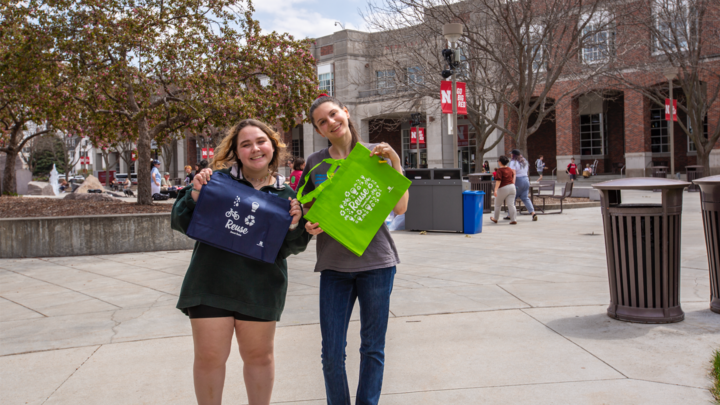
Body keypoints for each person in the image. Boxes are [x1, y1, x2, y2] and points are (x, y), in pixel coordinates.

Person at [171, 119, 311, 405]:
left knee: (259, 358)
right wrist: (196, 194)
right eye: (245, 144)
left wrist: (296, 225)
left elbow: (288, 249)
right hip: (210, 283)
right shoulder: (216, 182)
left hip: (260, 289)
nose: (255, 149)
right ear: (236, 152)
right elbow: (180, 220)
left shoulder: (287, 198)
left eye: (261, 141)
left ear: (273, 145)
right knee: (209, 359)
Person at [299, 94, 409, 405]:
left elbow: (399, 207)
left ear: (346, 113)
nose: (330, 122)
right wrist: (310, 224)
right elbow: (310, 208)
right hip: (333, 266)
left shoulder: (375, 154)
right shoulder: (315, 163)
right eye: (322, 121)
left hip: (377, 263)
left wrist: (396, 162)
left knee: (372, 347)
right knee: (332, 352)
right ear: (319, 130)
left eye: (333, 114)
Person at [508, 149, 538, 221]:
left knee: (512, 198)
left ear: (513, 155)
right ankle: (533, 213)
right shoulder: (524, 161)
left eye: (511, 154)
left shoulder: (513, 162)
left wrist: (512, 183)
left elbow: (513, 173)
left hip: (518, 180)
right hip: (526, 180)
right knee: (525, 198)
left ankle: (511, 215)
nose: (511, 155)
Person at [490, 156, 517, 224]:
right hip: (512, 187)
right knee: (511, 205)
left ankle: (495, 218)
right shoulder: (510, 169)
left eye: (498, 161)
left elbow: (498, 181)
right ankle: (513, 219)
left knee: (497, 205)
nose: (498, 162)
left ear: (500, 162)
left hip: (503, 188)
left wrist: (495, 190)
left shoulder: (500, 170)